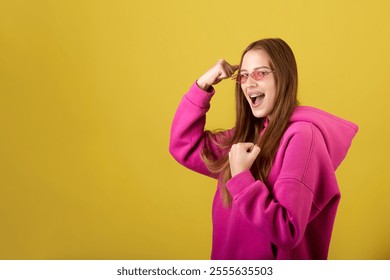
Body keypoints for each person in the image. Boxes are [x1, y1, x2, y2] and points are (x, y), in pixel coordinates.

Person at [169, 38, 358, 260]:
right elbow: (185, 147)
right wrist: (203, 85)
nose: (249, 84)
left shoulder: (303, 137)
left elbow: (288, 231)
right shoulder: (247, 136)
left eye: (260, 73)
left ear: (284, 77)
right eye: (244, 76)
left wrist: (241, 178)